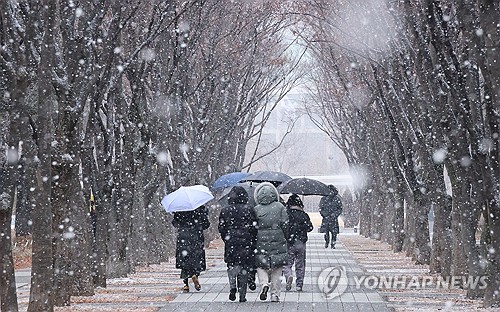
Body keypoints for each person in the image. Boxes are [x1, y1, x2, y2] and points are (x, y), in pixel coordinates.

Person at [218, 185, 258, 302]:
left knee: (232, 265)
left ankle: (232, 287)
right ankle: (242, 295)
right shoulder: (249, 209)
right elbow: (255, 227)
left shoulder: (225, 210)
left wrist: (226, 238)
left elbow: (221, 227)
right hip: (246, 241)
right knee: (244, 266)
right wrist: (252, 239)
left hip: (231, 242)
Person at [253, 182, 289, 303]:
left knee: (261, 265)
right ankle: (275, 294)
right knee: (277, 268)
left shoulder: (256, 209)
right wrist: (286, 237)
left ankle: (263, 284)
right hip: (278, 239)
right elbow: (286, 224)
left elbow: (253, 226)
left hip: (261, 240)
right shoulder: (280, 207)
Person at [172, 205, 210, 292]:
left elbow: (175, 223)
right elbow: (206, 224)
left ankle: (186, 284)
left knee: (184, 259)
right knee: (196, 258)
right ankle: (195, 275)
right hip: (196, 236)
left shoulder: (180, 208)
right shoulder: (200, 208)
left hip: (183, 236)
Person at [283, 194, 313, 292]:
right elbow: (310, 228)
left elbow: (283, 226)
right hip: (301, 242)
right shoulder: (303, 215)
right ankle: (299, 285)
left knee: (287, 263)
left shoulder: (287, 214)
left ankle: (288, 276)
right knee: (300, 264)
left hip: (289, 242)